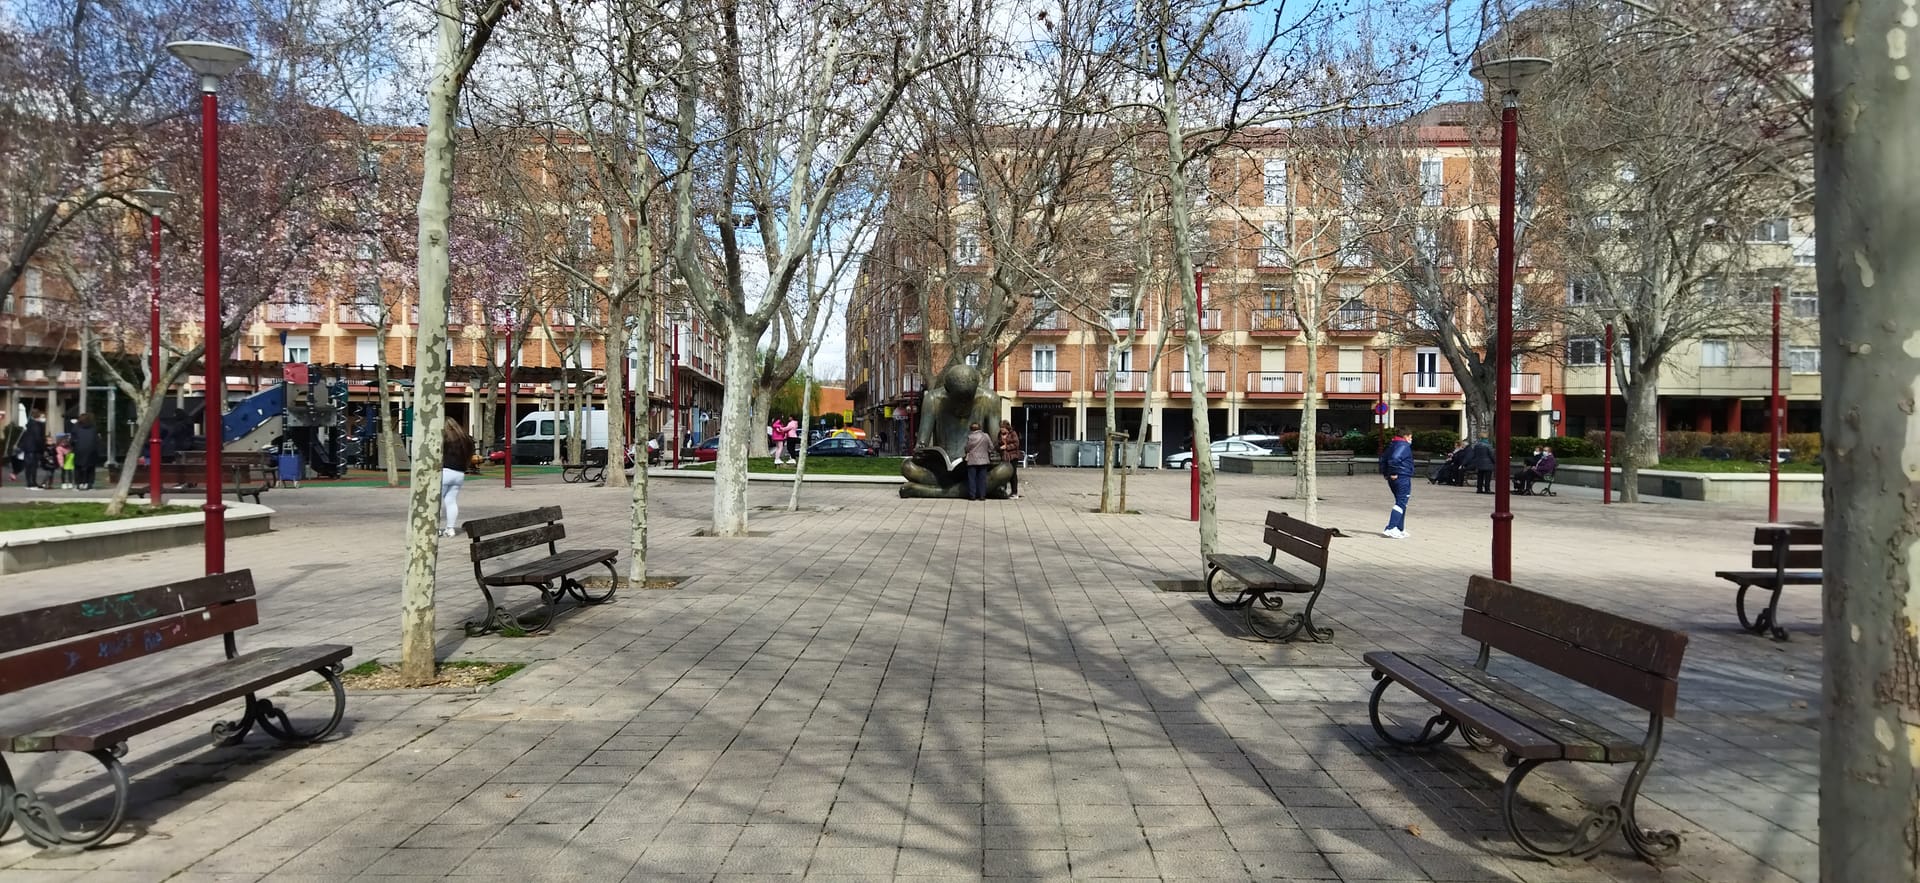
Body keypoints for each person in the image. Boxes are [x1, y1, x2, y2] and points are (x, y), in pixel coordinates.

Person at [1377, 428, 1414, 538]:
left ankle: (1399, 528)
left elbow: (1383, 459)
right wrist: (1393, 472)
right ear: (1406, 436)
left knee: (1401, 502)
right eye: (1411, 437)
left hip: (1394, 477)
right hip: (1401, 476)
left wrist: (1386, 473)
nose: (1411, 439)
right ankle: (1391, 528)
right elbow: (1395, 458)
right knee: (1401, 501)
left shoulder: (1392, 444)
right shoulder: (1403, 445)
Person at [440, 419, 474, 537]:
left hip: (445, 471)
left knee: (437, 501)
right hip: (459, 473)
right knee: (451, 501)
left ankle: (434, 528)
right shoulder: (466, 439)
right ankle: (450, 528)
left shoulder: (445, 439)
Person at [963, 421, 993, 501]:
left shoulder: (970, 437)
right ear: (980, 428)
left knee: (972, 479)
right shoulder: (986, 436)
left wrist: (966, 451)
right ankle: (982, 496)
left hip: (972, 460)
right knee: (982, 479)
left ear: (971, 429)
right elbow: (991, 447)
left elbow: (967, 448)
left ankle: (972, 495)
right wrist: (987, 452)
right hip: (983, 460)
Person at [70, 414, 100, 490]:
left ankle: (78, 484)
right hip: (91, 450)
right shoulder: (93, 428)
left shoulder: (76, 427)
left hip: (79, 449)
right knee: (91, 467)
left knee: (78, 467)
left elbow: (72, 440)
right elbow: (97, 439)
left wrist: (73, 445)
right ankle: (89, 484)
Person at [18, 408, 47, 490]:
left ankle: (29, 482)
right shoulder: (36, 425)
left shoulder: (29, 424)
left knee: (28, 466)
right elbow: (38, 437)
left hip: (28, 447)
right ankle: (32, 482)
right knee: (33, 466)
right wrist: (42, 447)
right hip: (34, 448)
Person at [998, 423, 1022, 499]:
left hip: (1012, 456)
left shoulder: (1013, 433)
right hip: (1004, 456)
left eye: (1003, 427)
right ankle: (1003, 491)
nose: (1001, 429)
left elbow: (1016, 444)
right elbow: (998, 442)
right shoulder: (1000, 434)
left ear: (1007, 428)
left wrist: (1007, 447)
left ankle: (1014, 492)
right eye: (1000, 427)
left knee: (1013, 474)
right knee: (1004, 474)